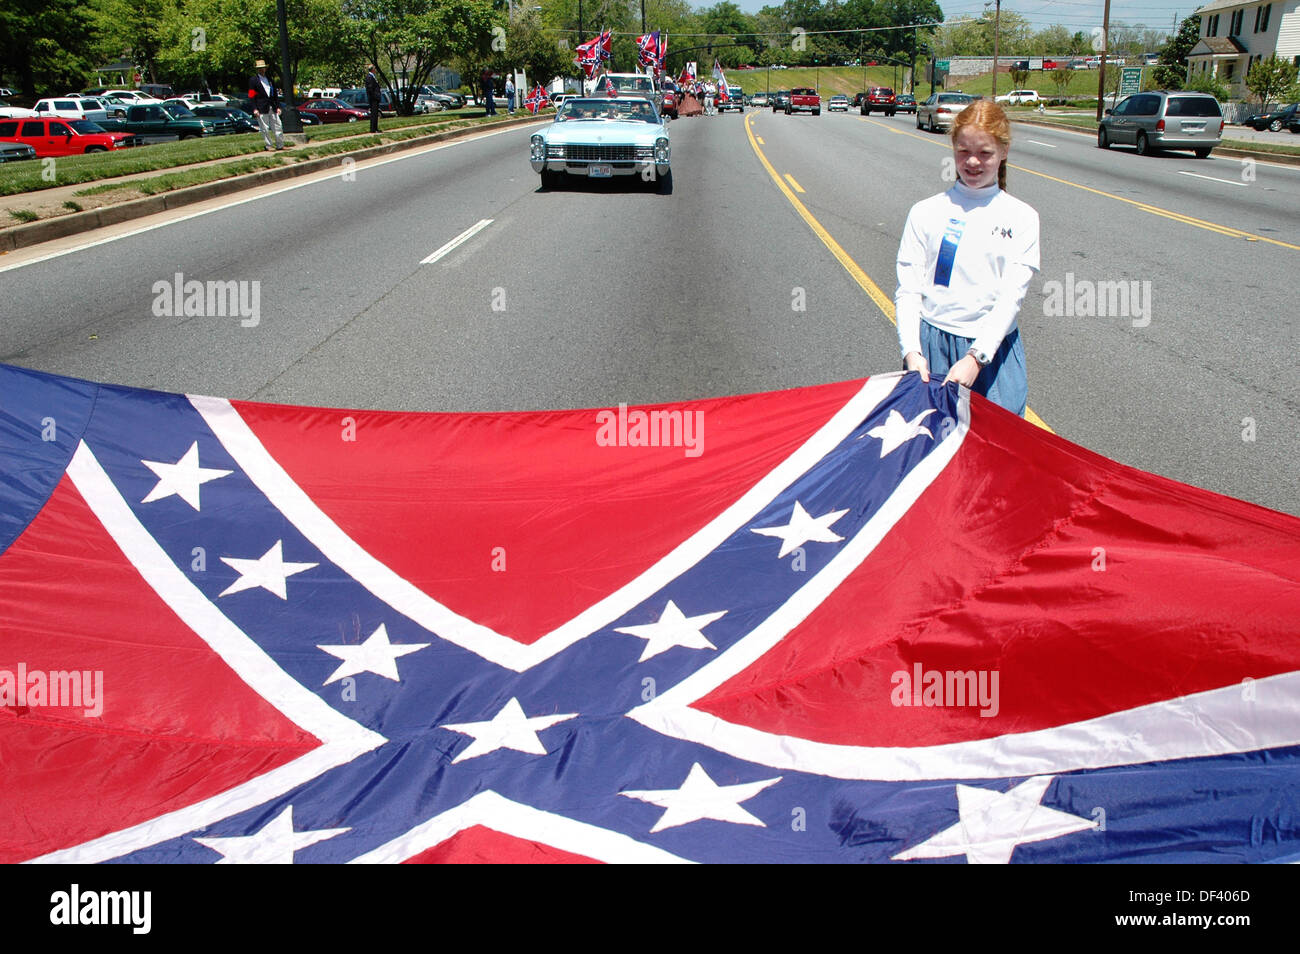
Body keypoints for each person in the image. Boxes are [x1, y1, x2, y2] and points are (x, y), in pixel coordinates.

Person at [894, 100, 1039, 417]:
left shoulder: (1022, 217)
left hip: (992, 354)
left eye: (985, 152)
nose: (973, 161)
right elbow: (908, 289)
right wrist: (912, 351)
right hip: (931, 349)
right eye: (963, 151)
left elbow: (1011, 297)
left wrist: (977, 358)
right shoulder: (925, 212)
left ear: (1004, 151)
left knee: (996, 445)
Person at [247, 59, 283, 151]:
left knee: (278, 126)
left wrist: (278, 106)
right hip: (261, 108)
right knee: (265, 128)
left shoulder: (270, 80)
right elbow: (251, 95)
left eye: (263, 68)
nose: (261, 70)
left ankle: (280, 144)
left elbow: (275, 95)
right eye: (259, 68)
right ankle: (269, 145)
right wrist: (255, 108)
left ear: (265, 69)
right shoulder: (253, 80)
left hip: (272, 106)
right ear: (257, 69)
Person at [364, 63, 381, 133]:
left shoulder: (373, 76)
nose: (375, 70)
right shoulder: (369, 77)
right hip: (373, 99)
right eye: (374, 68)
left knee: (375, 113)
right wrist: (375, 96)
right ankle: (373, 129)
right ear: (372, 69)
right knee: (374, 114)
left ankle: (375, 128)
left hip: (375, 98)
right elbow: (370, 89)